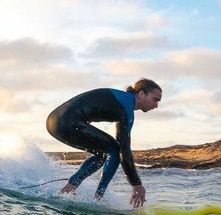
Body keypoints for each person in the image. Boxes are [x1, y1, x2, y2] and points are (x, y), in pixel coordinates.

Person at [46, 78, 162, 207]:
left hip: (55, 122)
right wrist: (136, 184)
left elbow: (121, 145)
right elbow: (124, 150)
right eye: (155, 99)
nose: (156, 105)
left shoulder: (123, 102)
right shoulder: (126, 107)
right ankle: (98, 199)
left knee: (104, 152)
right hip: (67, 122)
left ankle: (68, 190)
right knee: (114, 150)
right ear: (141, 94)